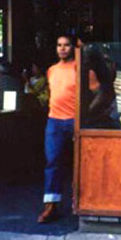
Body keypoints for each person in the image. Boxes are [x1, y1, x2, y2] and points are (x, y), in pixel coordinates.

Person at [38, 35, 76, 224]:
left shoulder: (80, 68)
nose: (62, 49)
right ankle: (51, 205)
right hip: (54, 121)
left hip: (75, 121)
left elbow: (97, 93)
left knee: (80, 164)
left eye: (66, 45)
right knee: (53, 163)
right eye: (59, 45)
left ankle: (80, 203)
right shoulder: (51, 70)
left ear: (73, 47)